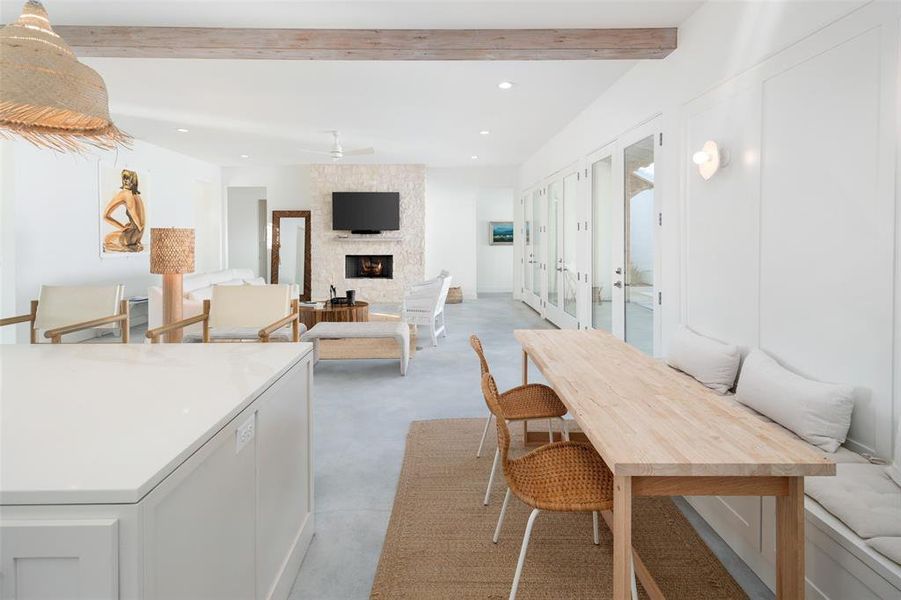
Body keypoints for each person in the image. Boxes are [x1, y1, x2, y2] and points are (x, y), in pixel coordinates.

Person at [102, 169, 146, 252]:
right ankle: (134, 246)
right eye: (124, 178)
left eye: (128, 178)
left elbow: (105, 216)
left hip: (131, 236)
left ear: (133, 180)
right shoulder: (136, 195)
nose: (125, 180)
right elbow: (140, 223)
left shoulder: (124, 194)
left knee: (107, 239)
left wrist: (122, 228)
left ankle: (129, 248)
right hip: (139, 236)